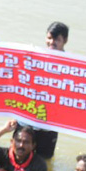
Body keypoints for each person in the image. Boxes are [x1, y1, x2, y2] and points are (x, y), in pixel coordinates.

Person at [32, 22, 69, 158]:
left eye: (56, 39)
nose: (51, 42)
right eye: (49, 38)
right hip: (28, 117)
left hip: (51, 122)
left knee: (45, 159)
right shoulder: (34, 56)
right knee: (21, 155)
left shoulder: (73, 64)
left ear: (65, 40)